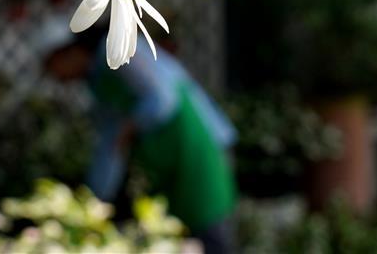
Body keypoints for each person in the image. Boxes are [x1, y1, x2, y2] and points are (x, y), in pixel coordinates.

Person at [40, 19, 238, 254]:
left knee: (208, 230)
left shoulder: (116, 50)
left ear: (69, 52)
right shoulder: (98, 78)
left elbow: (161, 99)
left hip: (192, 146)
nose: (56, 77)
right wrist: (96, 199)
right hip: (165, 160)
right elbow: (109, 143)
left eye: (52, 66)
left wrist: (130, 127)